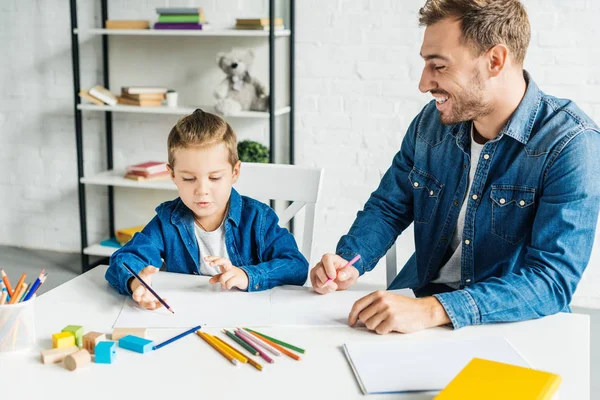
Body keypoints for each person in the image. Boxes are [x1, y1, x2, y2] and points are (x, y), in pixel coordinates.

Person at [310, 0, 600, 334]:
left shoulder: (571, 144)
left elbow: (551, 281)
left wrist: (435, 310)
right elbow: (389, 207)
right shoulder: (430, 125)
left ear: (495, 60)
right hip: (420, 302)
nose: (423, 83)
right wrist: (349, 261)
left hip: (511, 323)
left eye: (439, 66)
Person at [106, 109, 308, 309]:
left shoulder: (258, 218)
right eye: (188, 178)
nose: (202, 191)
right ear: (173, 175)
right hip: (187, 315)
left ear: (235, 172)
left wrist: (248, 275)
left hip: (247, 317)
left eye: (214, 178)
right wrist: (136, 282)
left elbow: (295, 266)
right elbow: (124, 259)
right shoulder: (167, 220)